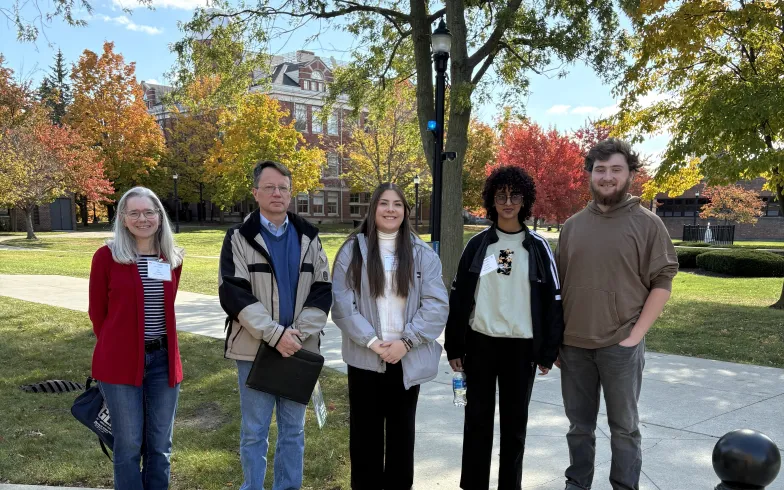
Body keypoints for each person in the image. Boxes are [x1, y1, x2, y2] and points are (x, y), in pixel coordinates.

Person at [556, 138, 678, 490]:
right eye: (600, 170)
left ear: (630, 174)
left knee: (624, 428)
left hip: (620, 345)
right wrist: (558, 339)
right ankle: (577, 484)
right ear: (590, 174)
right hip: (574, 346)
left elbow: (663, 282)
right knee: (579, 427)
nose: (607, 177)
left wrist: (634, 337)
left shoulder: (648, 224)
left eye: (615, 170)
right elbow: (559, 286)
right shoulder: (572, 226)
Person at [444, 166, 564, 490]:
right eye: (501, 196)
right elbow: (459, 297)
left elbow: (553, 300)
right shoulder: (478, 245)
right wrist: (454, 346)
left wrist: (548, 351)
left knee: (514, 429)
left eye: (514, 195)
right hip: (481, 346)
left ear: (525, 200)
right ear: (491, 200)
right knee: (477, 425)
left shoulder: (538, 248)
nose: (508, 202)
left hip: (521, 348)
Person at [218, 160, 332, 490]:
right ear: (256, 193)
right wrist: (274, 334)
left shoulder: (310, 237)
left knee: (293, 430)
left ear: (291, 192)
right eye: (269, 187)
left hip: (299, 349)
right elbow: (233, 293)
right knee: (254, 431)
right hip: (254, 349)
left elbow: (323, 290)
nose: (277, 193)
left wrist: (295, 335)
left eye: (282, 187)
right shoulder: (238, 238)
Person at [332, 182, 449, 490]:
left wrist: (405, 342)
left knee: (401, 437)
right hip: (364, 358)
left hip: (405, 358)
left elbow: (436, 305)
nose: (390, 210)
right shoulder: (352, 251)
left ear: (405, 212)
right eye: (384, 203)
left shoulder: (422, 254)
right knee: (364, 439)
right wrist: (372, 342)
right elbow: (343, 305)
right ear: (373, 208)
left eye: (397, 204)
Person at [88, 186, 185, 490]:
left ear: (159, 216)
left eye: (149, 211)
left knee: (161, 447)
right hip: (119, 363)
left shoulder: (171, 258)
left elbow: (165, 308)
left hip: (163, 362)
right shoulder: (106, 257)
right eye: (134, 213)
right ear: (123, 218)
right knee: (128, 446)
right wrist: (118, 345)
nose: (143, 218)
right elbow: (97, 314)